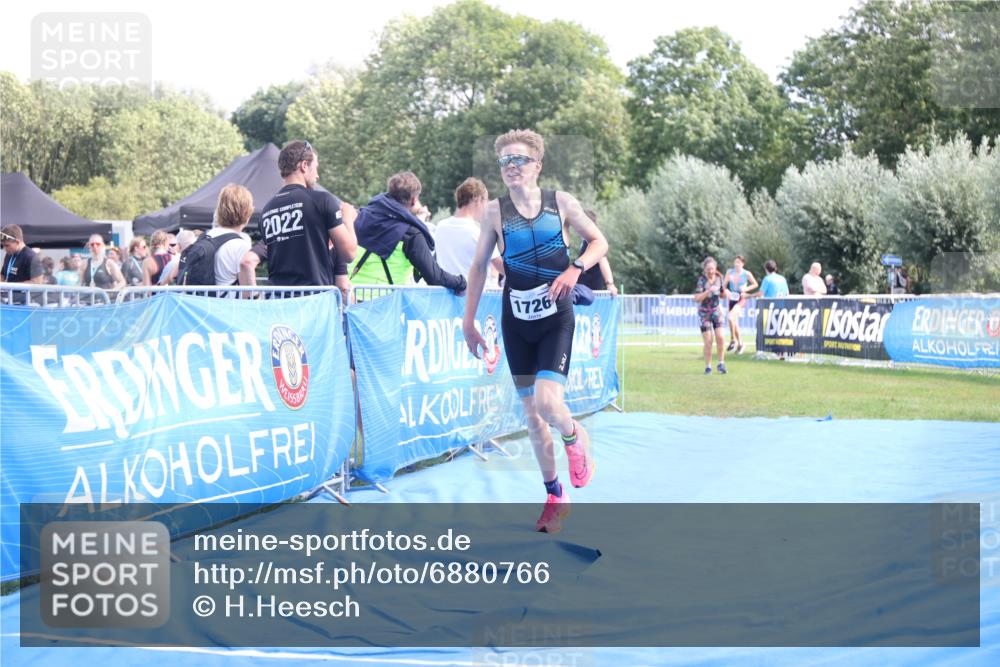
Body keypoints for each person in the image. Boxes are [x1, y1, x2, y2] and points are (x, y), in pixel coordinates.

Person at [462, 129, 606, 534]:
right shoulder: (494, 212)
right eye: (504, 161)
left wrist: (576, 268)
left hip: (555, 320)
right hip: (516, 322)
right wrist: (468, 321)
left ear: (537, 166)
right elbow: (477, 268)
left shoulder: (560, 203)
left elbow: (599, 242)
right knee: (531, 413)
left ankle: (574, 436)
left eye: (519, 159)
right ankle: (555, 495)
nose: (510, 167)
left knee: (547, 402)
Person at [349, 171, 466, 293]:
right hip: (385, 303)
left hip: (351, 299)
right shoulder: (410, 234)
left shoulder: (361, 218)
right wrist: (461, 283)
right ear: (414, 200)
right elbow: (434, 277)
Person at [262, 140, 357, 289]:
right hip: (314, 302)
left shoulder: (267, 210)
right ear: (304, 165)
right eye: (316, 168)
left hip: (278, 303)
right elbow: (349, 254)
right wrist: (348, 220)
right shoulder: (322, 200)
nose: (317, 175)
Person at [433, 178, 504, 288]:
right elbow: (502, 268)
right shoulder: (478, 233)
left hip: (446, 298)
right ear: (477, 199)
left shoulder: (440, 227)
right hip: (475, 299)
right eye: (486, 200)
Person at [693, 257, 727, 375]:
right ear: (704, 269)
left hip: (716, 311)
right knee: (708, 341)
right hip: (704, 313)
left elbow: (723, 294)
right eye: (708, 269)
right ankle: (708, 367)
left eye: (712, 269)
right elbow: (696, 298)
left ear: (715, 268)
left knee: (721, 337)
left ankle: (721, 364)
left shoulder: (720, 278)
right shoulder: (701, 280)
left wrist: (726, 293)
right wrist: (708, 292)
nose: (710, 271)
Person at [576, 210, 618, 296]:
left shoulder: (593, 242)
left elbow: (603, 261)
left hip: (592, 293)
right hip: (586, 292)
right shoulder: (586, 242)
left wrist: (610, 284)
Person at [724, 255, 757, 354]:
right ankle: (741, 344)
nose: (736, 264)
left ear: (743, 264)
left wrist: (746, 289)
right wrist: (727, 292)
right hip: (732, 298)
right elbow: (724, 286)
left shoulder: (747, 273)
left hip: (741, 298)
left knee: (730, 317)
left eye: (739, 262)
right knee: (734, 322)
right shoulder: (729, 272)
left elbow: (755, 284)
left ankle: (733, 340)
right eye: (735, 262)